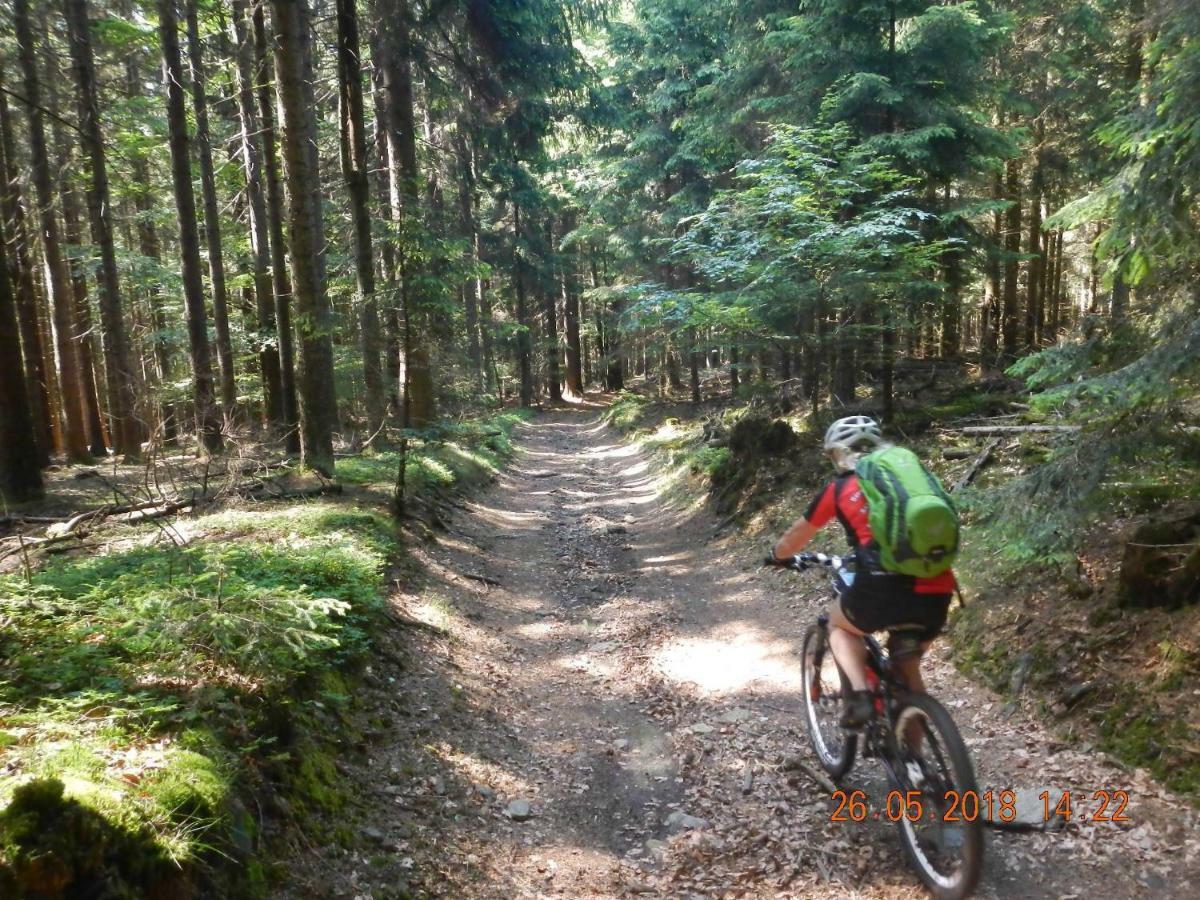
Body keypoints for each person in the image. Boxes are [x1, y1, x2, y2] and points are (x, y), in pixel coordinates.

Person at [768, 415, 956, 730]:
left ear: (839, 452)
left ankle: (859, 698)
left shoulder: (841, 488)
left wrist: (777, 556)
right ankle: (916, 770)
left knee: (838, 625)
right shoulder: (907, 481)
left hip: (882, 586)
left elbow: (797, 536)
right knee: (908, 674)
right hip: (937, 587)